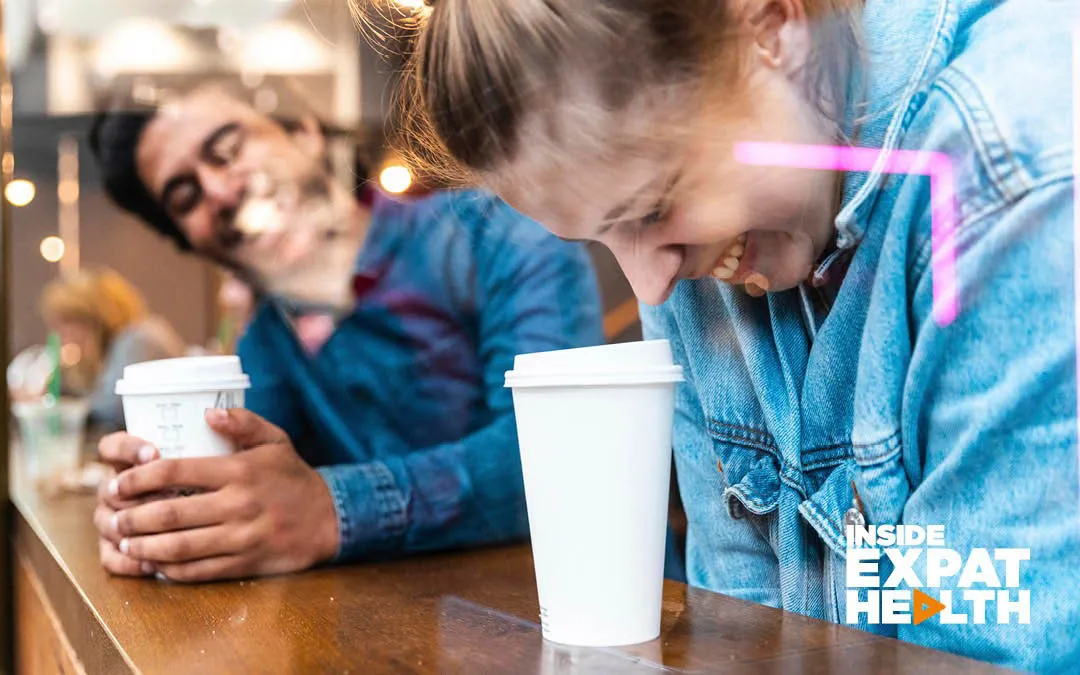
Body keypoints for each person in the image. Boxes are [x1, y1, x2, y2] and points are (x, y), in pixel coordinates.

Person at [362, 0, 1080, 671]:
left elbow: (988, 645)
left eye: (652, 208)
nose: (649, 286)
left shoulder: (1017, 173)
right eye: (599, 237)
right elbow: (743, 630)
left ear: (772, 25)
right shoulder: (690, 262)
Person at [87, 85, 603, 580]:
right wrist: (154, 516)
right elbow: (249, 495)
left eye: (227, 147)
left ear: (305, 132)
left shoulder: (496, 233)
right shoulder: (268, 344)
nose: (220, 192)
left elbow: (564, 455)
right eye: (185, 197)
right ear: (192, 242)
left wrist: (331, 510)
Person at [23, 268, 185, 430]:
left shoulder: (138, 338)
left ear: (98, 318)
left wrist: (60, 404)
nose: (62, 334)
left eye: (69, 321)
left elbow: (111, 409)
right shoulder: (110, 348)